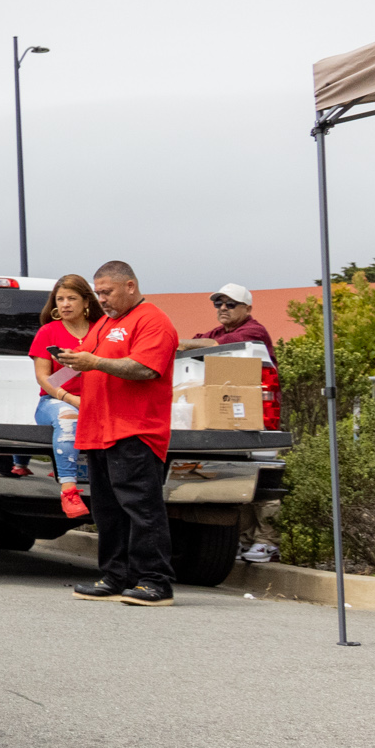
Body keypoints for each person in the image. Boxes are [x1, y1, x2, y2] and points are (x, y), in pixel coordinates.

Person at [53, 258, 179, 605]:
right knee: (108, 510)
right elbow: (89, 356)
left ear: (130, 286)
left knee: (141, 508)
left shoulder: (153, 320)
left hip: (135, 429)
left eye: (106, 292)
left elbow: (144, 369)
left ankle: (155, 581)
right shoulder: (105, 324)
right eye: (98, 293)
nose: (101, 299)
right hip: (98, 428)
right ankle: (115, 576)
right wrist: (73, 359)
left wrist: (94, 362)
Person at [30, 273, 98, 522]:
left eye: (71, 298)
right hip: (54, 402)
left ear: (86, 301)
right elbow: (44, 379)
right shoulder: (48, 331)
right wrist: (71, 399)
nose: (65, 304)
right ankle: (69, 491)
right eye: (60, 299)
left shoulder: (101, 330)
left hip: (97, 401)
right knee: (69, 417)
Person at [184, 285, 274, 354]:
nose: (223, 308)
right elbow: (196, 341)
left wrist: (180, 343)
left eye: (230, 304)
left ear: (247, 309)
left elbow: (217, 344)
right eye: (218, 303)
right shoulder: (219, 332)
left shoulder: (255, 331)